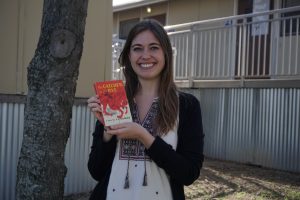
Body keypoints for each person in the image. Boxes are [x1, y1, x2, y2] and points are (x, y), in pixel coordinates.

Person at [87, 19, 204, 200]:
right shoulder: (114, 99)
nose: (145, 55)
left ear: (166, 54)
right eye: (137, 48)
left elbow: (189, 174)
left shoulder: (187, 105)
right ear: (128, 56)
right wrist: (107, 131)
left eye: (154, 47)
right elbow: (96, 171)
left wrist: (145, 137)